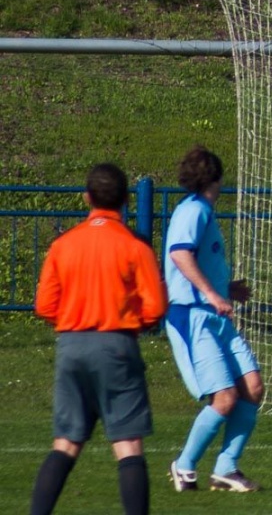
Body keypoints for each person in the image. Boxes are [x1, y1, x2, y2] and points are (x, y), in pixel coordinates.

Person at [30, 163, 167, 515]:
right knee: (127, 444)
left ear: (87, 198)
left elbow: (45, 305)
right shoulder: (135, 248)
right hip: (116, 344)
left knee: (66, 442)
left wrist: (76, 316)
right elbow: (154, 308)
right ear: (125, 201)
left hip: (71, 345)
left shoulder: (64, 245)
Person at [164, 145, 265, 493]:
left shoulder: (201, 210)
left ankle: (226, 469)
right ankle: (184, 465)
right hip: (193, 316)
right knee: (224, 398)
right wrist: (211, 293)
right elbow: (179, 254)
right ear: (217, 178)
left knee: (252, 387)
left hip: (214, 313)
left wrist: (226, 288)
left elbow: (195, 260)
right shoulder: (193, 211)